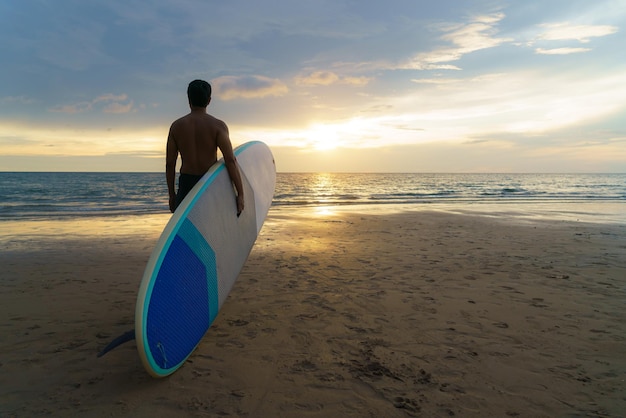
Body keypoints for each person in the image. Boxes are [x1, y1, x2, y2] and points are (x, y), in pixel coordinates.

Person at [166, 79, 245, 215]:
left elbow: (170, 164)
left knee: (188, 233)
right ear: (209, 100)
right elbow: (230, 160)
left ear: (188, 99)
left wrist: (172, 195)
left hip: (186, 185)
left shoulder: (176, 127)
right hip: (209, 183)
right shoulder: (218, 126)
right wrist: (241, 194)